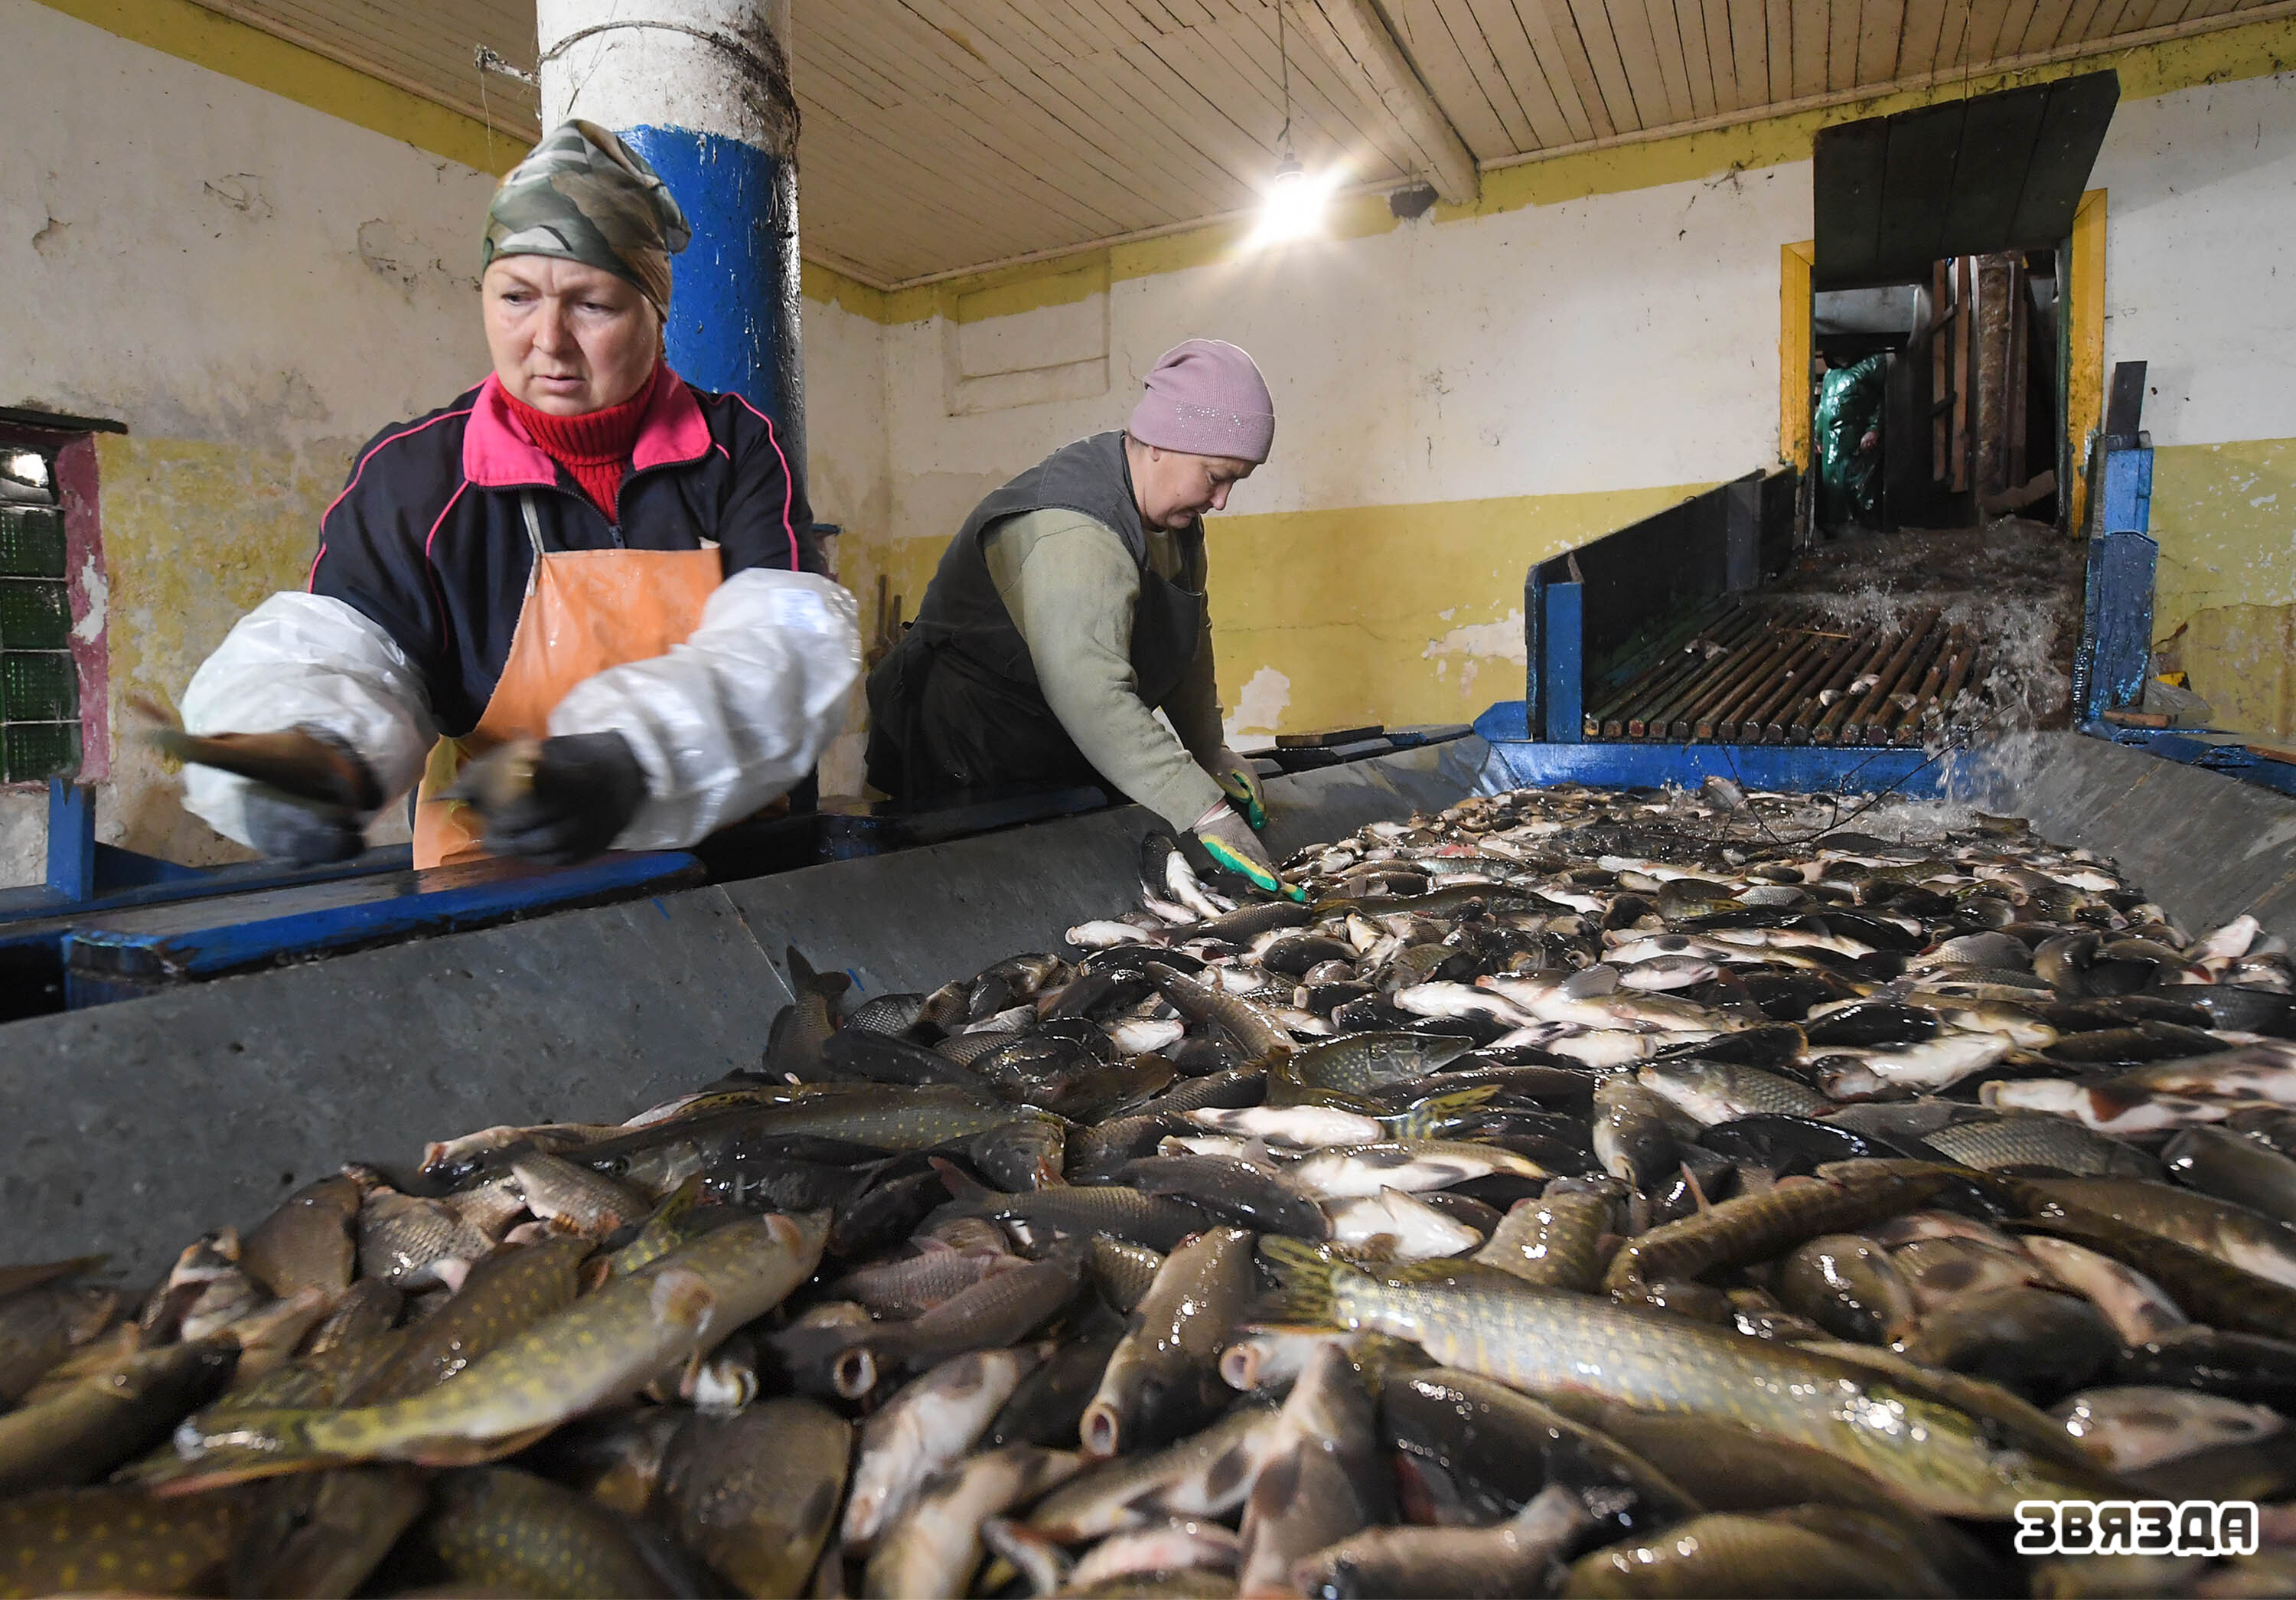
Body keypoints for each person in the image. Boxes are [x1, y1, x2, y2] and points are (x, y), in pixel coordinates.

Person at [180, 121, 860, 868]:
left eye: (592, 304)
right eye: (515, 296)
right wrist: (310, 747)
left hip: (719, 869)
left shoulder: (734, 451)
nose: (548, 339)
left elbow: (786, 645)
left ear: (654, 312)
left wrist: (634, 760)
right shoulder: (417, 475)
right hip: (495, 882)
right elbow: (342, 651)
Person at [863, 339, 1281, 889]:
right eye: (1216, 475)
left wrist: (1208, 748)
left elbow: (1187, 643)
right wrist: (1206, 814)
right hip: (972, 743)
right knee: (986, 895)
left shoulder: (1175, 524)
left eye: (1236, 481)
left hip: (1059, 738)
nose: (1221, 500)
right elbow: (1090, 692)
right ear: (1160, 443)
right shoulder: (1075, 523)